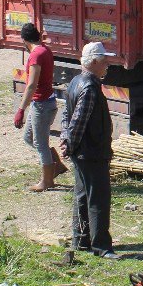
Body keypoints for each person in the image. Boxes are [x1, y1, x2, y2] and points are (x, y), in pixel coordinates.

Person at [58, 42, 119, 258]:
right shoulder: (90, 87)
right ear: (93, 62)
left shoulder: (76, 81)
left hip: (83, 152)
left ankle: (80, 239)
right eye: (104, 61)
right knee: (98, 198)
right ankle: (101, 246)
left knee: (82, 195)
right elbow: (78, 121)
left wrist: (66, 141)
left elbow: (66, 117)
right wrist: (69, 143)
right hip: (92, 152)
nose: (107, 65)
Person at [13, 23, 66, 192]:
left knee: (40, 143)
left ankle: (47, 181)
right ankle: (55, 166)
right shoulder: (45, 50)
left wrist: (21, 109)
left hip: (41, 105)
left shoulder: (36, 55)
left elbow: (31, 85)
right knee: (29, 138)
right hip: (43, 103)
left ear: (24, 40)